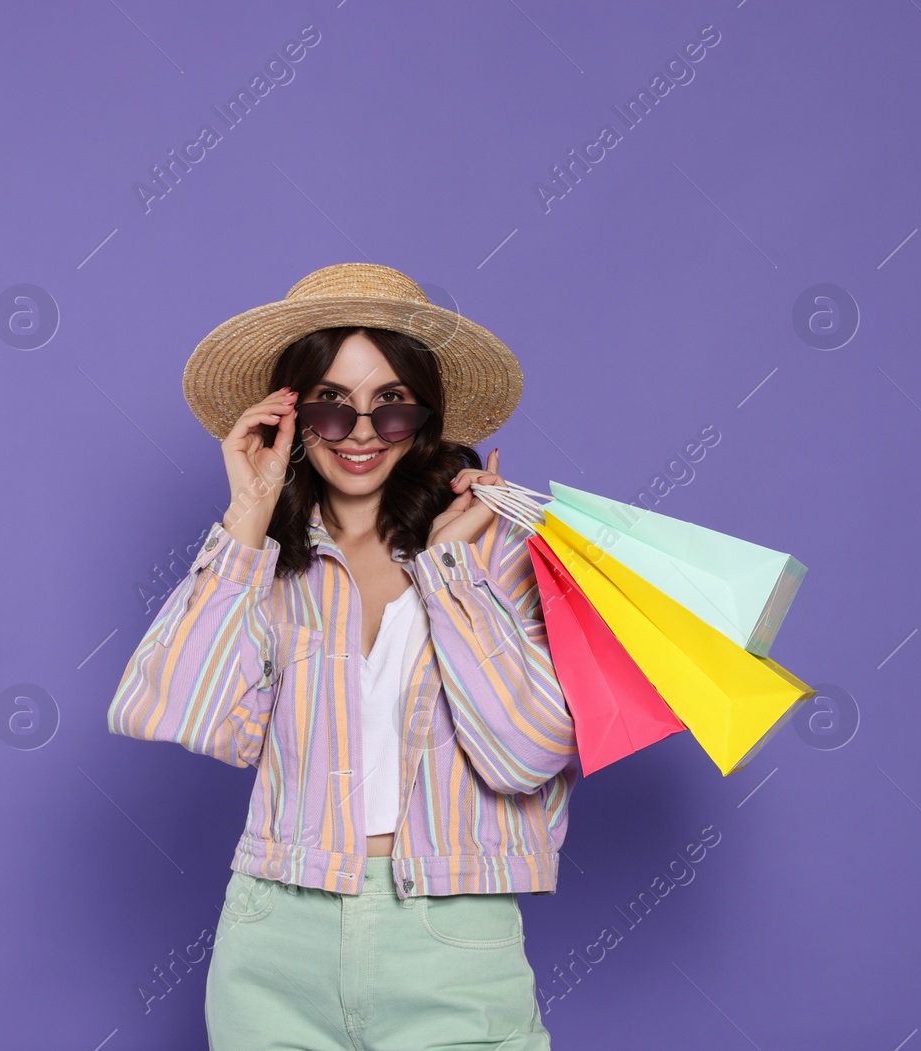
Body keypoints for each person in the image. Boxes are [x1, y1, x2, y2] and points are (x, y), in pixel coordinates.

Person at [106, 262, 579, 1050]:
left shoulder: (494, 546)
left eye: (390, 405)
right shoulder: (262, 559)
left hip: (452, 936)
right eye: (333, 404)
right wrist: (247, 520)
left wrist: (451, 572)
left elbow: (528, 752)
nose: (361, 432)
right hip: (274, 934)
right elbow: (176, 710)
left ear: (424, 417)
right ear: (292, 414)